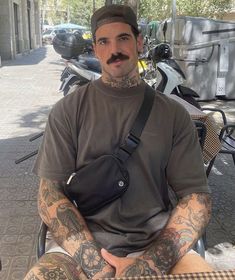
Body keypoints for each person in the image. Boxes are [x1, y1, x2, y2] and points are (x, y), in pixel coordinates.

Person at [24, 4, 213, 280]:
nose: (115, 50)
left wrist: (150, 264)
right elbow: (48, 195)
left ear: (138, 42)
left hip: (157, 244)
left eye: (123, 38)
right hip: (83, 243)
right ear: (96, 49)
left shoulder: (173, 114)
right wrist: (95, 264)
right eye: (104, 41)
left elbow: (197, 198)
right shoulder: (68, 110)